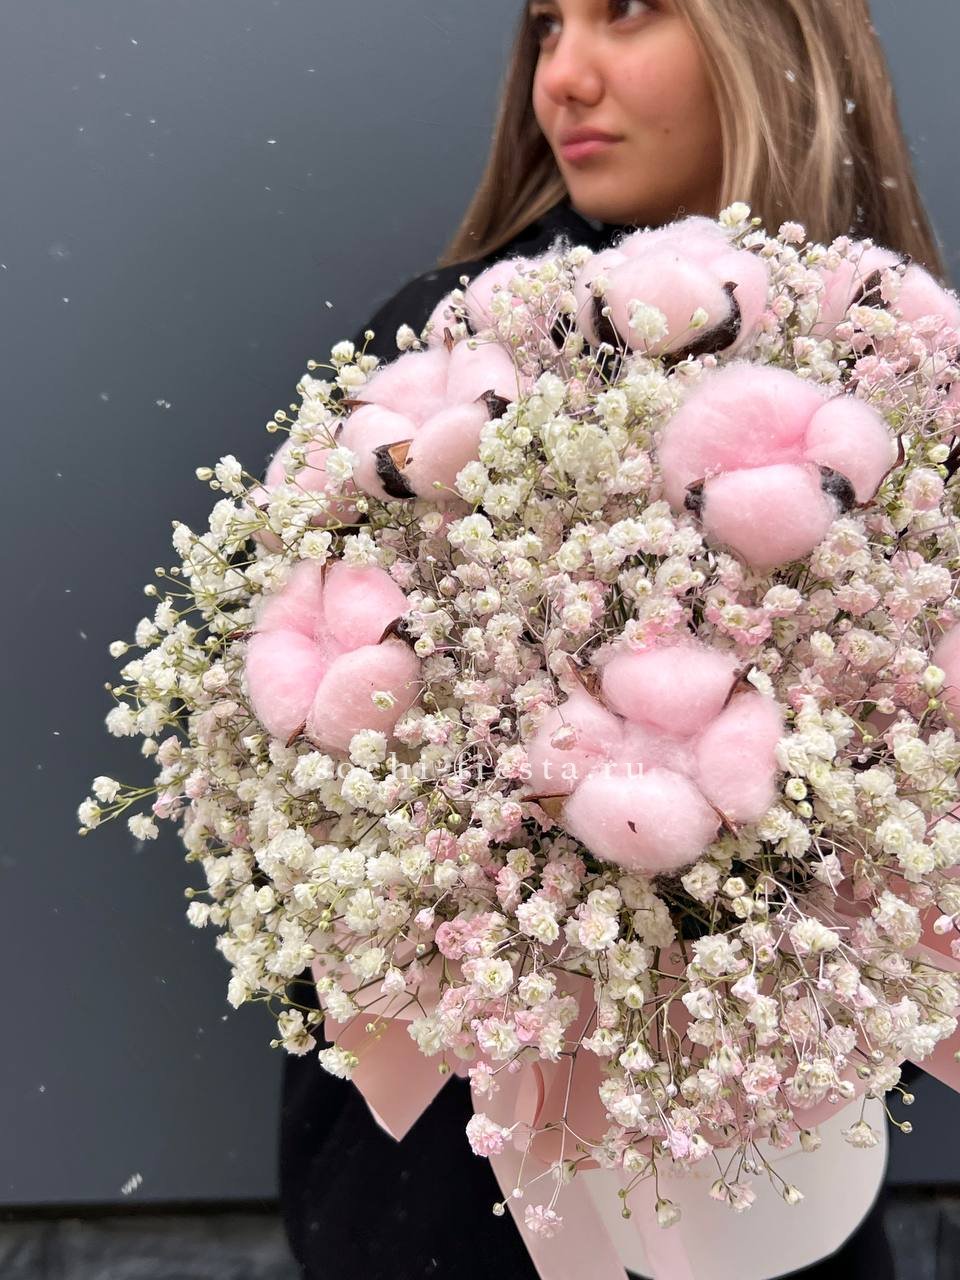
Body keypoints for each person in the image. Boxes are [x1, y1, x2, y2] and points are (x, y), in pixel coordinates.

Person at [279, 1, 945, 1275]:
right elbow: (301, 750)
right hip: (447, 1198)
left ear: (778, 35)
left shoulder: (901, 366)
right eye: (546, 26)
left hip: (782, 1176)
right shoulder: (450, 350)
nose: (564, 79)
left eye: (627, 10)